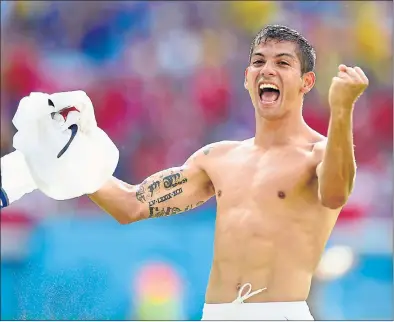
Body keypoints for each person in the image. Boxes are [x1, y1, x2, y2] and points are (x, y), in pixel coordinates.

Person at [13, 25, 369, 320]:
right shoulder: (217, 158)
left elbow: (335, 193)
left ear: (306, 82)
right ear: (247, 78)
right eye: (259, 61)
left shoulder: (318, 153)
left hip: (280, 313)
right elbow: (130, 205)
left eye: (283, 62)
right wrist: (69, 159)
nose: (268, 69)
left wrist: (342, 110)